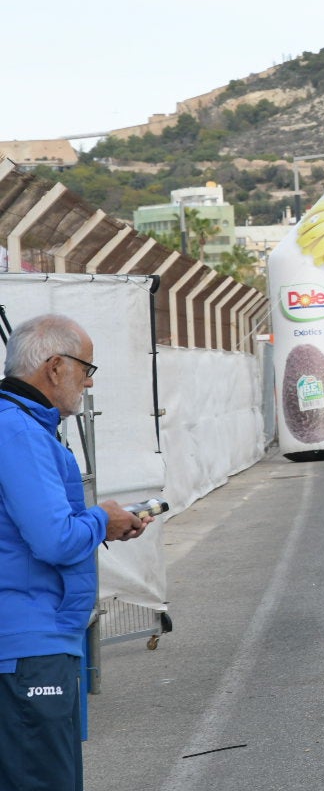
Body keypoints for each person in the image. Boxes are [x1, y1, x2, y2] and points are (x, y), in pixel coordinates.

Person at [1, 315, 150, 791]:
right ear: (55, 366)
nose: (88, 381)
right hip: (30, 645)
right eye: (87, 368)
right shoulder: (18, 431)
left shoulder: (23, 425)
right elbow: (54, 539)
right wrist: (102, 519)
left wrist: (102, 524)